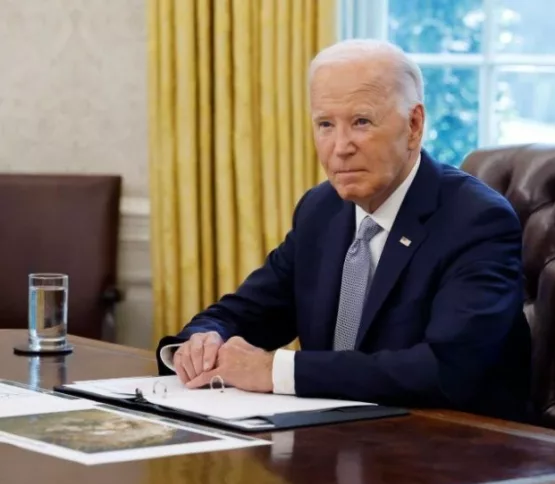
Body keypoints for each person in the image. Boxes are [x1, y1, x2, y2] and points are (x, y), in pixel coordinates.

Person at [156, 39, 533, 422]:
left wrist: (275, 370)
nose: (340, 148)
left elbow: (446, 370)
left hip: (455, 450)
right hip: (336, 444)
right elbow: (249, 311)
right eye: (325, 125)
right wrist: (202, 340)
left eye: (361, 122)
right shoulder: (321, 210)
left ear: (414, 125)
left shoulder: (476, 220)